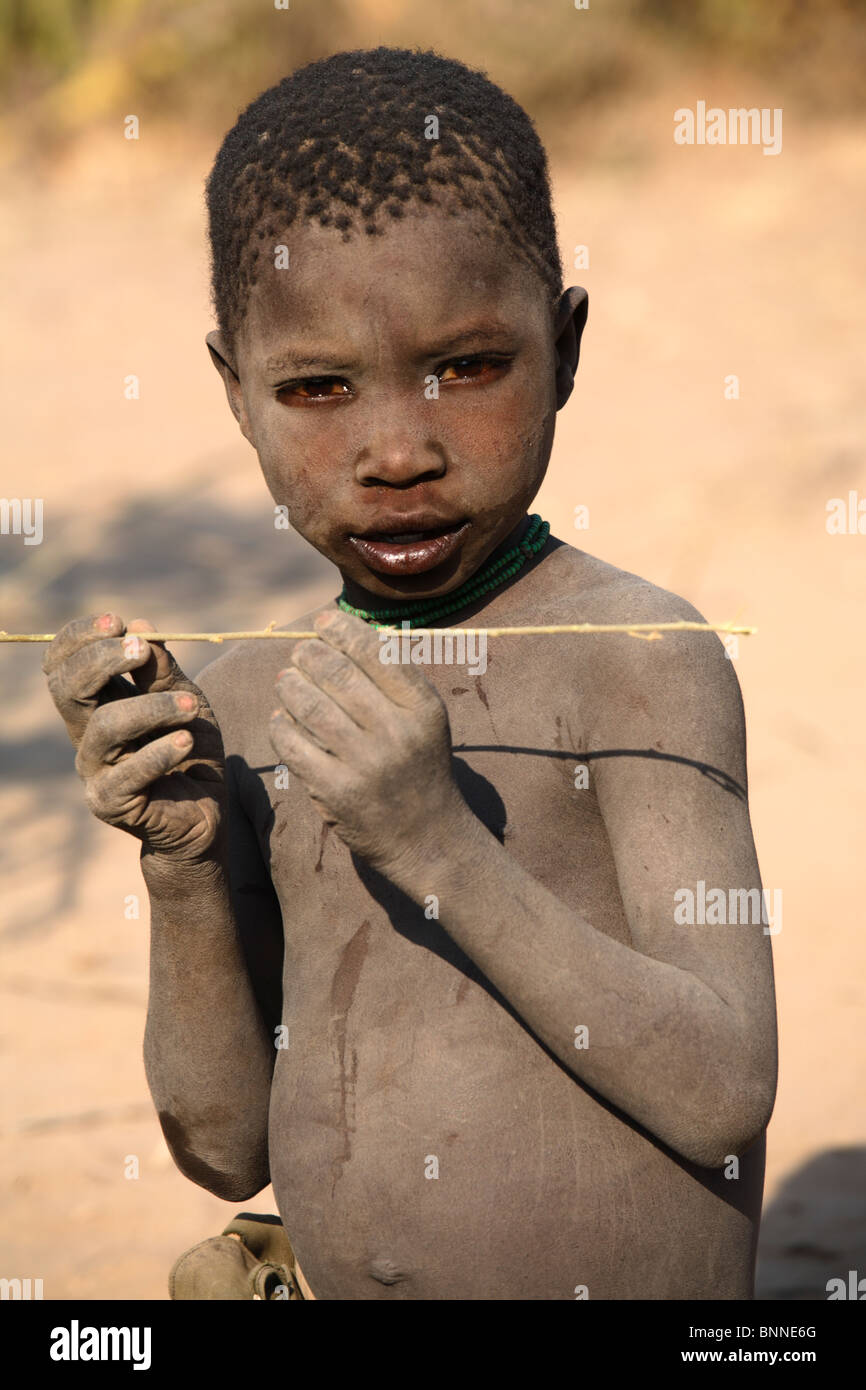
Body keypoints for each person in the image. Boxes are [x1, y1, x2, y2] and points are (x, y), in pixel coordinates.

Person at [43, 47, 777, 1299]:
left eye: (470, 367)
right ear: (236, 393)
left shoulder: (636, 658)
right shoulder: (259, 698)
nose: (396, 450)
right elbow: (223, 1150)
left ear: (564, 347)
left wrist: (436, 846)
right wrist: (180, 862)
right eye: (317, 387)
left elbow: (720, 1092)